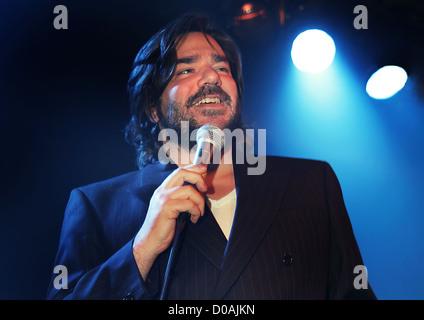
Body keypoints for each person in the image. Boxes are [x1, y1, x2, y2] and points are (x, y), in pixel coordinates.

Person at [47, 13, 376, 300]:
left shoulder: (311, 185)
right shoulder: (97, 206)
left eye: (222, 67)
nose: (211, 77)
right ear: (152, 108)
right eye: (185, 71)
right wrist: (142, 249)